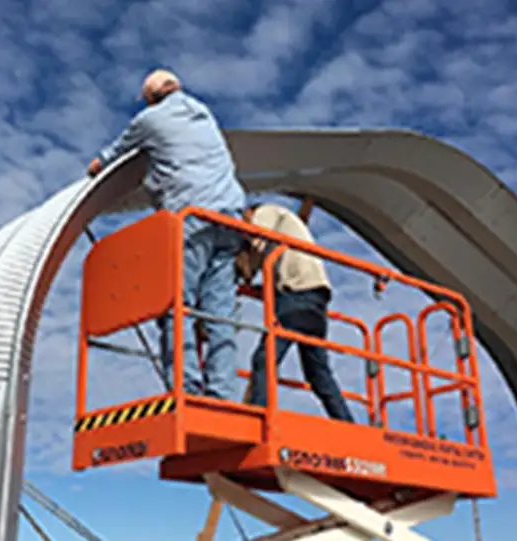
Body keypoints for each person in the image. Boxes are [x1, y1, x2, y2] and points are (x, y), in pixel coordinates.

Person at [87, 69, 246, 401]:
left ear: (150, 96)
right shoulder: (202, 112)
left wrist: (97, 165)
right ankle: (223, 392)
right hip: (231, 216)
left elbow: (113, 154)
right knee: (219, 313)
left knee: (174, 303)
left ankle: (185, 390)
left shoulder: (149, 120)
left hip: (191, 217)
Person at [235, 199, 354, 422]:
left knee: (264, 359)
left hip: (296, 298)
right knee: (318, 374)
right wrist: (248, 291)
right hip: (314, 301)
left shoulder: (266, 212)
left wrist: (240, 262)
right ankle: (347, 424)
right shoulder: (288, 243)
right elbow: (273, 288)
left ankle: (257, 417)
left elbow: (253, 241)